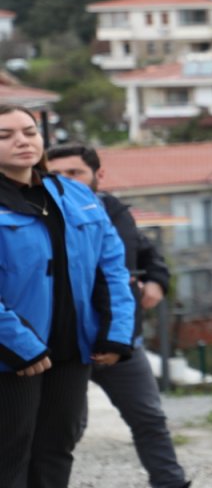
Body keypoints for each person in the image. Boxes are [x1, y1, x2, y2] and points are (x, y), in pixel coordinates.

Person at [0, 104, 135, 487]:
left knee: (57, 449)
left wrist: (115, 333)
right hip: (12, 358)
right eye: (5, 135)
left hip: (69, 351)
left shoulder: (75, 194)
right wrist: (20, 347)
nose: (21, 141)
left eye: (28, 131)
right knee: (9, 455)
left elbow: (111, 268)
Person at [46, 143, 190, 488]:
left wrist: (157, 280)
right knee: (61, 431)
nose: (66, 181)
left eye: (75, 172)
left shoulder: (112, 210)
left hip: (121, 339)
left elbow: (145, 251)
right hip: (61, 347)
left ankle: (171, 483)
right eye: (55, 174)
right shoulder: (36, 213)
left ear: (99, 175)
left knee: (149, 419)